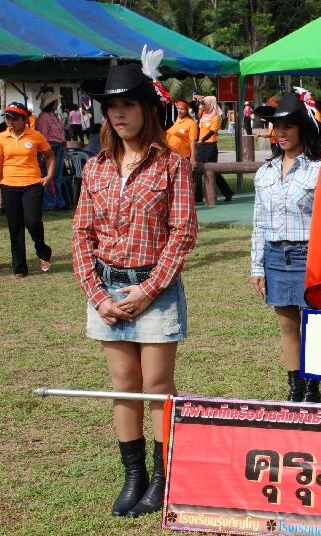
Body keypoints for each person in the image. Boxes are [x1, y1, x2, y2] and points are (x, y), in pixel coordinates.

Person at [75, 57, 197, 518]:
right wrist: (98, 296)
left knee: (158, 385)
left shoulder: (172, 166)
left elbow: (182, 233)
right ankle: (134, 477)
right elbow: (81, 235)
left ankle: (163, 477)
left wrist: (148, 289)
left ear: (147, 109)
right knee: (124, 385)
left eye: (128, 105)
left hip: (155, 290)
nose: (119, 114)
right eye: (112, 107)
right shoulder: (95, 168)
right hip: (107, 288)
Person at [250, 91, 321, 402]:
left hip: (310, 255)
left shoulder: (320, 169)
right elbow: (259, 223)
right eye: (276, 126)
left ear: (302, 129)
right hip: (275, 255)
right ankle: (295, 389)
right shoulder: (264, 173)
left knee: (314, 325)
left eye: (288, 126)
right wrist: (257, 266)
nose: (280, 132)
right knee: (287, 326)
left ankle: (312, 389)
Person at [0, 103, 55, 279]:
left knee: (32, 221)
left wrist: (49, 176)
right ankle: (19, 267)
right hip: (9, 186)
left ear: (25, 119)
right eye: (7, 118)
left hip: (32, 185)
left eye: (15, 118)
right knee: (15, 226)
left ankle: (43, 251)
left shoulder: (35, 136)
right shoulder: (0, 138)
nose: (10, 122)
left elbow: (49, 156)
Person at [194, 96, 235, 204]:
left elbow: (212, 132)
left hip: (210, 146)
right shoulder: (203, 113)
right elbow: (193, 107)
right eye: (203, 104)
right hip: (200, 146)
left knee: (213, 171)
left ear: (211, 104)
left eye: (205, 104)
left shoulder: (215, 117)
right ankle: (197, 196)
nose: (204, 105)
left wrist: (201, 141)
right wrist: (196, 100)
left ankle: (228, 192)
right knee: (197, 170)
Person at [36, 91, 67, 212]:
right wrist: (44, 152)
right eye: (56, 101)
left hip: (59, 147)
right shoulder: (43, 117)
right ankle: (50, 203)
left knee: (57, 178)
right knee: (50, 177)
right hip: (51, 148)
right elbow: (42, 135)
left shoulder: (54, 116)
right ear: (52, 103)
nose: (57, 103)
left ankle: (59, 202)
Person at [166, 101, 198, 167]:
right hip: (170, 155)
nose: (179, 111)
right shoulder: (171, 120)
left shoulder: (191, 123)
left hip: (183, 156)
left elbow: (192, 141)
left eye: (182, 109)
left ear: (186, 111)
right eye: (178, 108)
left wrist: (193, 156)